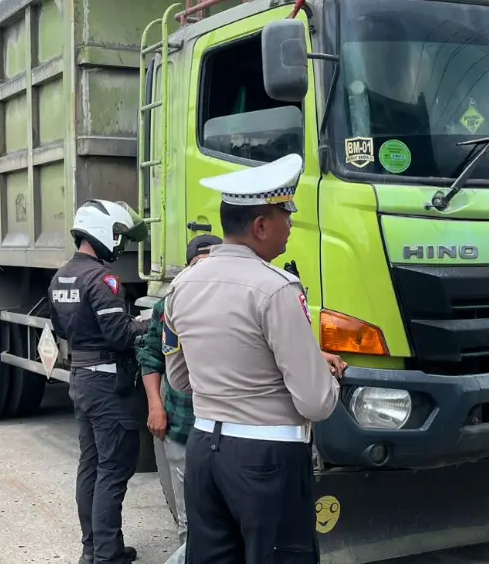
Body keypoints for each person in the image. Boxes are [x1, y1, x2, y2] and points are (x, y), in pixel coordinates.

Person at [162, 153, 345, 564]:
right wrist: (330, 378)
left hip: (204, 449)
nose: (291, 225)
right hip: (268, 459)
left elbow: (179, 378)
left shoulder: (182, 286)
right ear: (261, 226)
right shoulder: (277, 288)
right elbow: (315, 402)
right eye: (286, 215)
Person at [49, 199, 149, 564]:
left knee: (90, 465)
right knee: (113, 469)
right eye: (118, 235)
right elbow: (120, 335)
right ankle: (107, 555)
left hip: (80, 378)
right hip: (108, 384)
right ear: (101, 231)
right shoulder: (103, 279)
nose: (120, 244)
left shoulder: (61, 276)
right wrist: (148, 322)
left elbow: (60, 329)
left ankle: (93, 548)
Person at [137, 234, 221, 564]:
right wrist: (155, 406)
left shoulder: (233, 304)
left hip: (226, 433)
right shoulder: (169, 305)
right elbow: (151, 357)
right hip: (184, 426)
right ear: (188, 266)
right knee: (189, 521)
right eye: (199, 263)